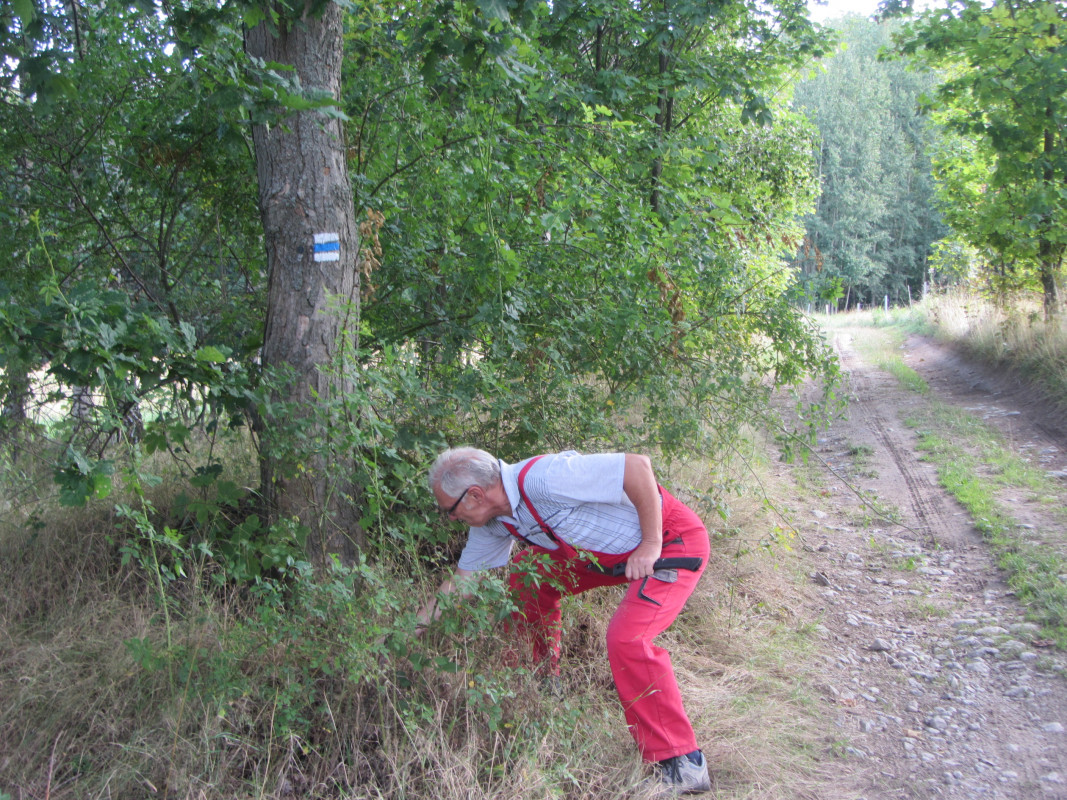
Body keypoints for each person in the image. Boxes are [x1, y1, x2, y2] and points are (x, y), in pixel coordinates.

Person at [418, 447, 712, 796]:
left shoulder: (545, 478)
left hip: (670, 542)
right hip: (606, 556)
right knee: (527, 579)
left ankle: (682, 762)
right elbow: (463, 582)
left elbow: (637, 467)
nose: (450, 518)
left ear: (475, 495)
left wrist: (650, 543)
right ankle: (542, 683)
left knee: (628, 639)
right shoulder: (495, 521)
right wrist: (410, 631)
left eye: (450, 510)